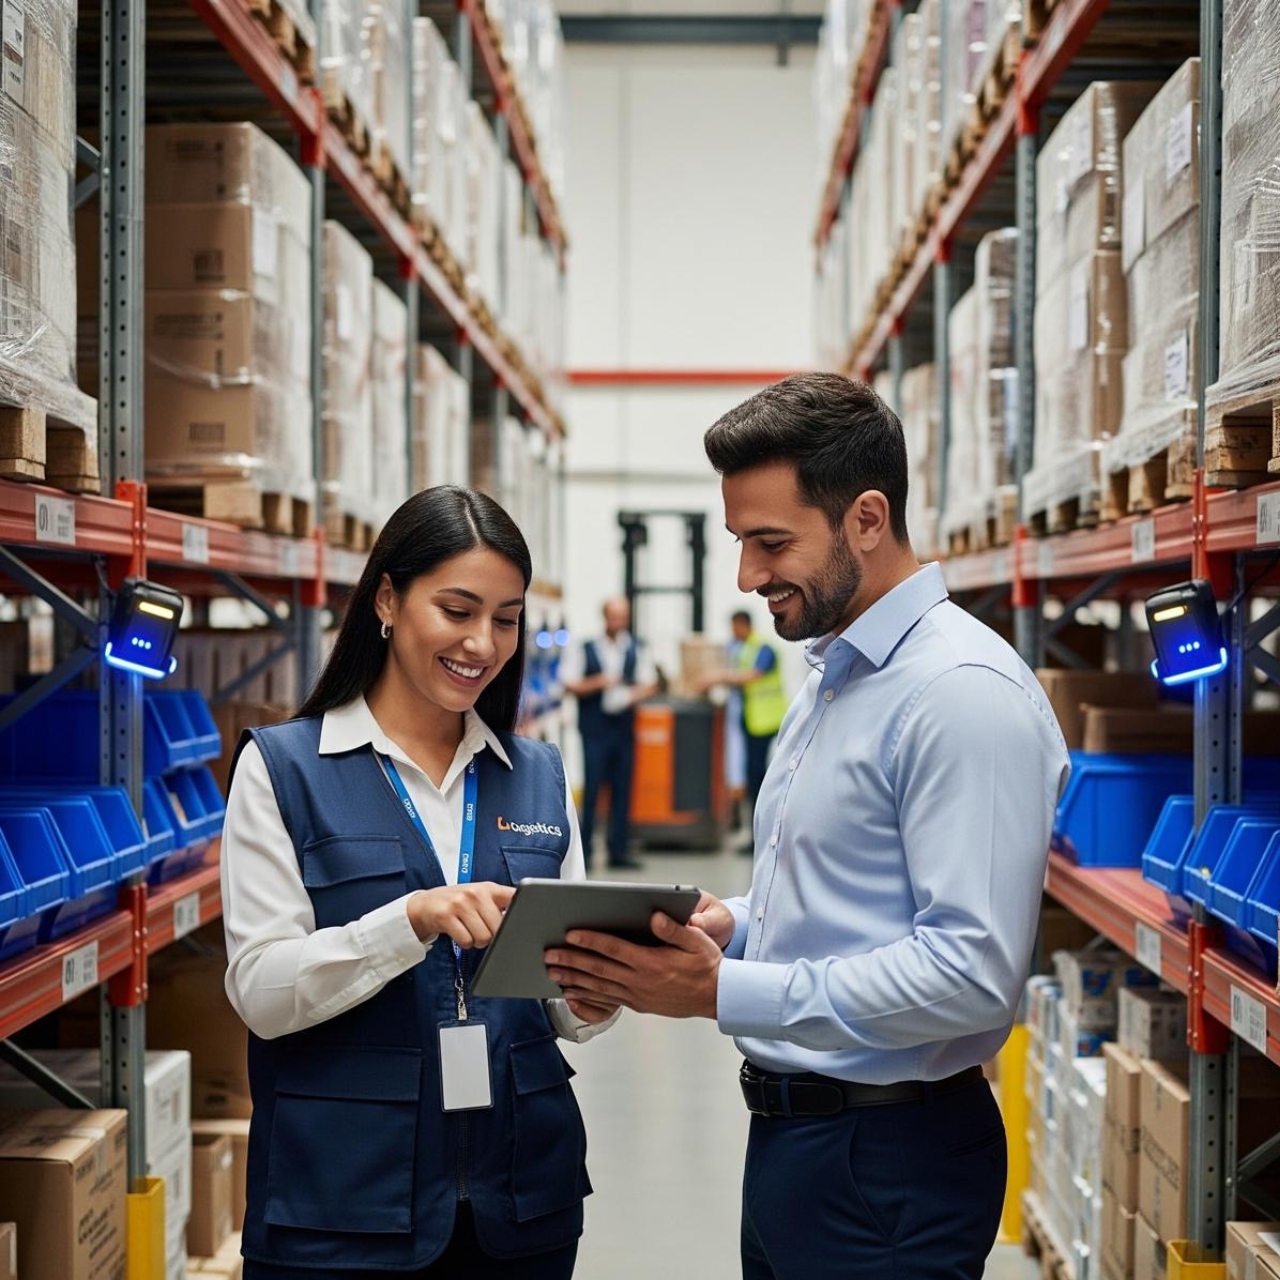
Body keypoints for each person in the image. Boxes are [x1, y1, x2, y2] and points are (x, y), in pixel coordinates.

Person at [545, 374, 1070, 1280]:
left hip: (890, 1160)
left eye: (770, 542)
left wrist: (724, 990)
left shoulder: (957, 696)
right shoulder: (837, 675)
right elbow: (850, 892)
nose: (748, 576)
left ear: (867, 518)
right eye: (740, 540)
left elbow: (971, 975)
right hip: (802, 1143)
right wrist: (735, 924)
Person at [220, 485, 617, 1279]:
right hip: (344, 1206)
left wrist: (594, 995)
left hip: (520, 1202)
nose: (483, 643)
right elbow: (262, 993)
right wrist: (410, 921)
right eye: (458, 610)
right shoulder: (284, 769)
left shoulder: (536, 775)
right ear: (389, 600)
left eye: (506, 618)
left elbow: (561, 1005)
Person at [558, 596, 660, 870]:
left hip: (624, 729)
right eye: (614, 616)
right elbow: (569, 684)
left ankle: (619, 851)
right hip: (594, 729)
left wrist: (630, 695)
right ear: (604, 617)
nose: (618, 621)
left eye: (623, 616)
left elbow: (651, 684)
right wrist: (599, 682)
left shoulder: (636, 648)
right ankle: (586, 853)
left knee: (622, 788)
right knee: (591, 790)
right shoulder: (584, 648)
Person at [695, 610, 787, 852]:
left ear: (743, 624)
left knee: (761, 779)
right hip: (751, 721)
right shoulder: (741, 648)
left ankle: (764, 836)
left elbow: (753, 676)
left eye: (735, 627)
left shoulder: (763, 648)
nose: (733, 632)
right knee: (751, 778)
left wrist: (720, 677)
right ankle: (755, 835)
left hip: (766, 723)